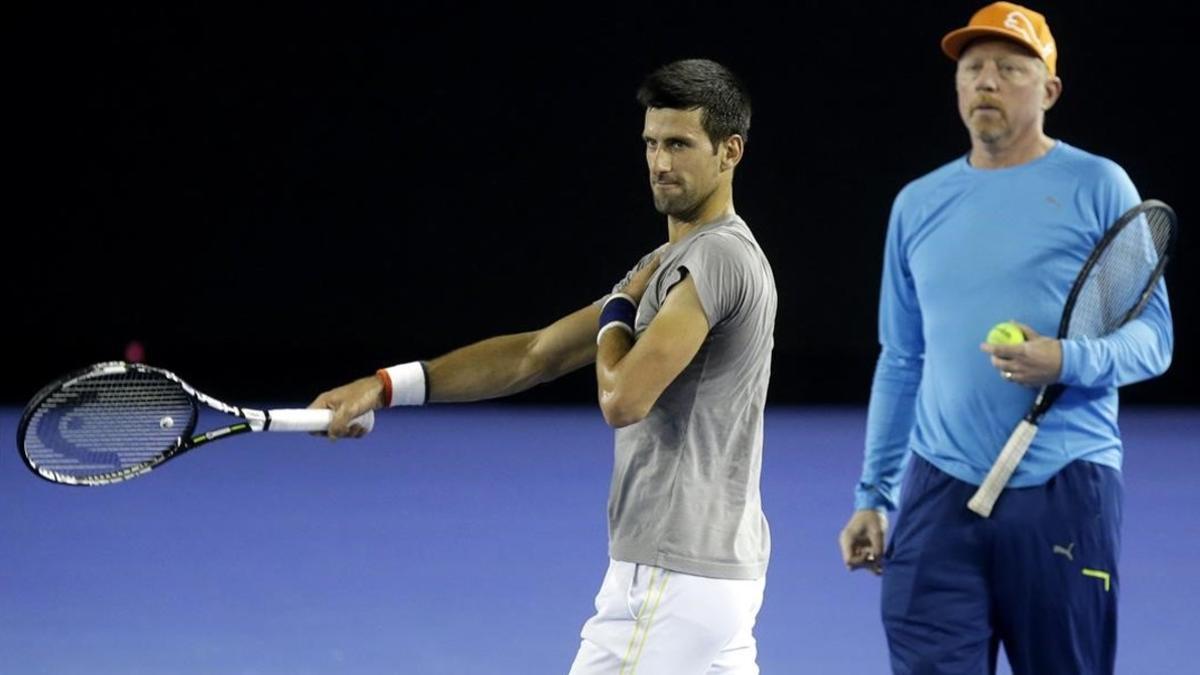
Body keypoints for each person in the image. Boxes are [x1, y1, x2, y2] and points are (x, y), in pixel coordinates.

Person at [311, 58, 777, 674]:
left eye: (680, 145)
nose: (660, 164)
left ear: (730, 151)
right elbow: (537, 353)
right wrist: (383, 387)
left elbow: (622, 399)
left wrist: (617, 311)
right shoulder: (675, 260)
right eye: (651, 144)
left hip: (671, 573)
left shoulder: (713, 257)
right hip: (715, 574)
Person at [837, 3, 1173, 674]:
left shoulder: (1098, 184)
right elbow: (902, 360)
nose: (985, 81)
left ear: (1048, 90)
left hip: (1065, 486)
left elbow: (1155, 339)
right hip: (938, 492)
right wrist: (874, 496)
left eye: (1009, 68)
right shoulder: (917, 204)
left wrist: (1066, 358)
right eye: (972, 68)